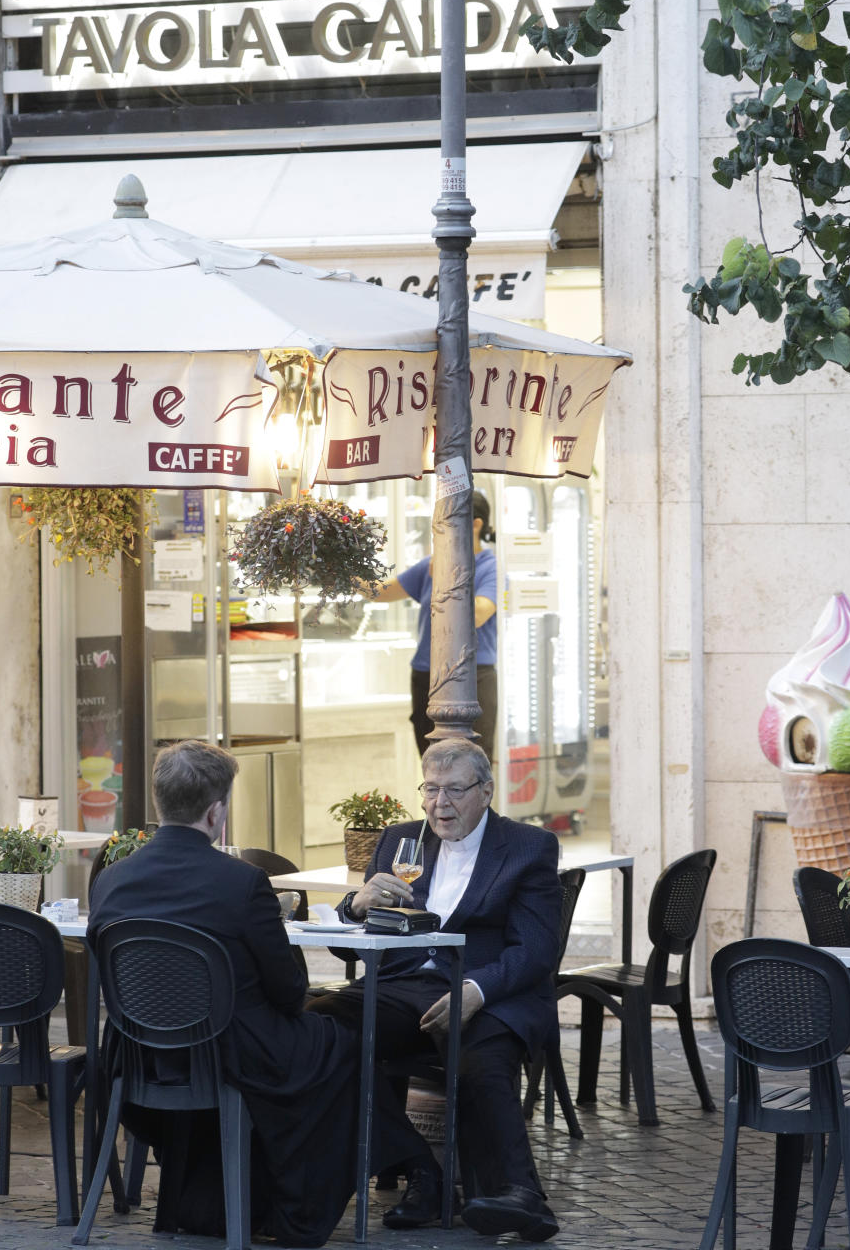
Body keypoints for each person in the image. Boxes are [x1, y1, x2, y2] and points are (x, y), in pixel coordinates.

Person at [88, 739, 439, 1246]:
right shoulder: (243, 882)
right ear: (216, 812)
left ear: (160, 804)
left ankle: (226, 1199)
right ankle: (298, 1207)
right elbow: (289, 988)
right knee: (340, 1041)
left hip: (139, 1055)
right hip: (235, 1051)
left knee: (323, 1037)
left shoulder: (111, 879)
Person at [308, 737, 561, 1240]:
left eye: (454, 791)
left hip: (486, 989)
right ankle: (422, 1169)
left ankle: (520, 1194)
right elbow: (356, 946)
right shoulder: (400, 840)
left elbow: (535, 950)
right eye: (430, 789)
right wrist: (356, 907)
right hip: (404, 985)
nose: (439, 804)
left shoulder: (528, 847)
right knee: (317, 1027)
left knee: (483, 1055)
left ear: (486, 791)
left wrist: (476, 990)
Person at [365, 489, 498, 760]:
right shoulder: (429, 565)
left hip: (472, 678)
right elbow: (379, 591)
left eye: (450, 520)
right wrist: (340, 567)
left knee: (473, 765)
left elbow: (480, 613)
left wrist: (446, 579)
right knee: (432, 762)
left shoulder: (489, 567)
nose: (441, 528)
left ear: (476, 525)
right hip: (426, 676)